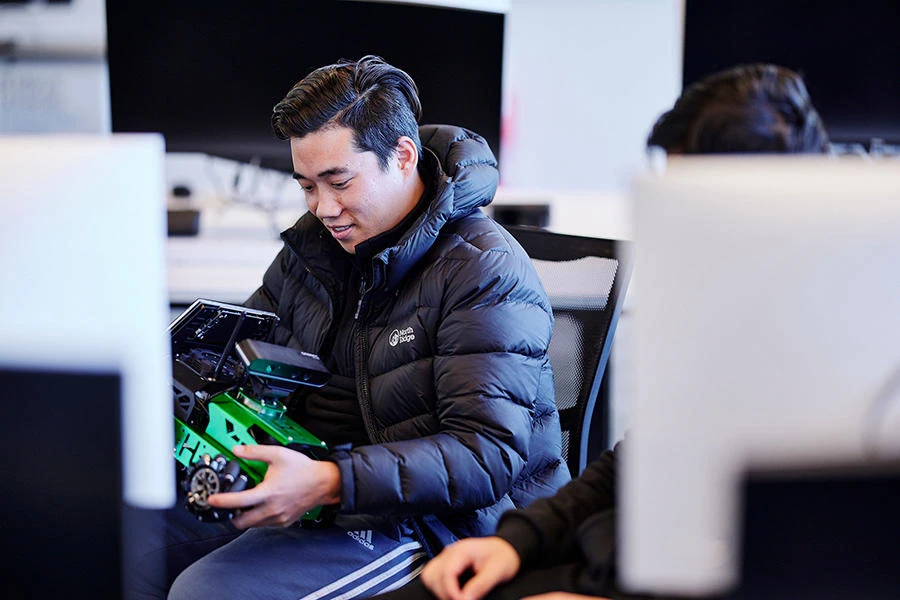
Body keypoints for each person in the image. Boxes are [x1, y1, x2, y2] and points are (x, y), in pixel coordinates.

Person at [371, 63, 831, 600]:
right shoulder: (731, 307)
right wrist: (515, 543)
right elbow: (638, 461)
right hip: (596, 559)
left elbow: (810, 558)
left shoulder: (834, 348)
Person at [145, 55, 570, 600]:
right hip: (316, 486)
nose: (323, 208)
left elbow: (486, 456)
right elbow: (247, 350)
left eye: (338, 181)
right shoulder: (316, 249)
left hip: (434, 525)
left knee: (209, 592)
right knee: (118, 543)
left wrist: (329, 481)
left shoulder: (481, 269)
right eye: (305, 187)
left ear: (403, 156)